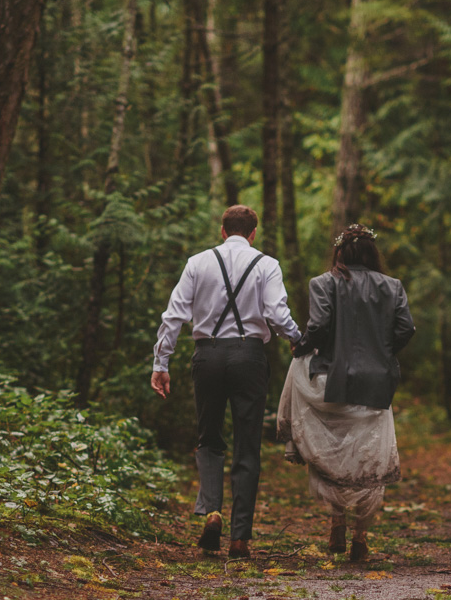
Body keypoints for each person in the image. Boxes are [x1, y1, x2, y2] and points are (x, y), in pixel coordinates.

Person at [153, 205, 302, 559]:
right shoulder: (267, 264)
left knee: (209, 437)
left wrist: (161, 362)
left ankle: (212, 511)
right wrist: (297, 338)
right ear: (253, 233)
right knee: (247, 442)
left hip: (207, 356)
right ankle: (240, 538)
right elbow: (277, 314)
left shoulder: (197, 262)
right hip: (249, 357)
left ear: (222, 231)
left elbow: (174, 314)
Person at [277, 225, 415, 563]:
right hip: (375, 383)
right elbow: (406, 329)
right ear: (372, 254)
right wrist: (382, 354)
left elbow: (319, 326)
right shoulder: (392, 287)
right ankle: (360, 536)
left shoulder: (323, 283)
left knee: (332, 453)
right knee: (366, 457)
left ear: (340, 253)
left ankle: (336, 522)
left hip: (330, 379)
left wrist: (302, 346)